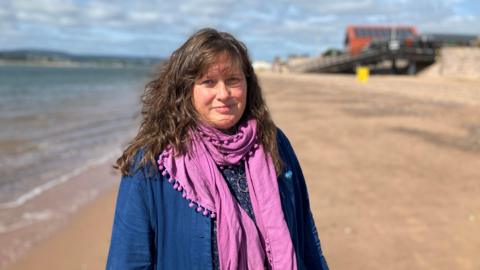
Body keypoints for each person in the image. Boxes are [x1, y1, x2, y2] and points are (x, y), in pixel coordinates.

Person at [106, 28, 328, 270]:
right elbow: (128, 260)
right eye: (208, 82)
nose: (223, 94)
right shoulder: (152, 160)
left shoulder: (273, 142)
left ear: (247, 84)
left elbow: (305, 236)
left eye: (233, 80)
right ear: (185, 90)